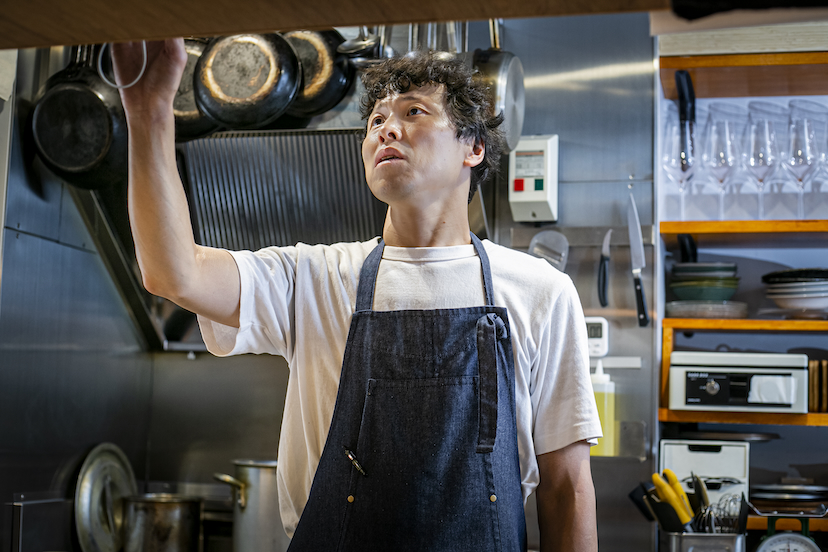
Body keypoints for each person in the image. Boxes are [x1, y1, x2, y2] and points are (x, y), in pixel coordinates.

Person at [112, 38, 601, 551]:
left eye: (414, 112)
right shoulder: (313, 277)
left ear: (473, 148)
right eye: (376, 121)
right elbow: (173, 273)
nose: (386, 128)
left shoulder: (540, 292)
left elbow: (567, 490)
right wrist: (149, 112)